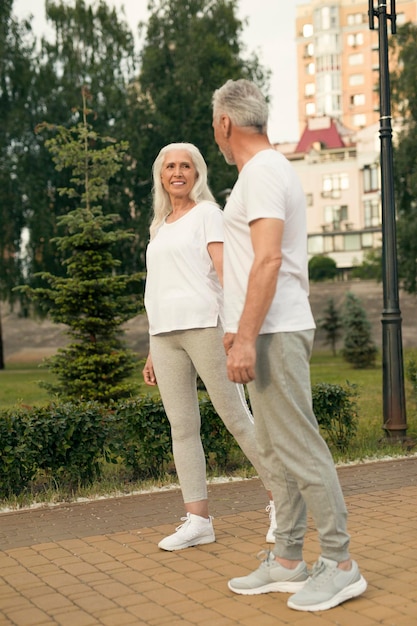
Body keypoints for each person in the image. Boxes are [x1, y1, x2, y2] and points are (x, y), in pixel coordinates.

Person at [211, 79, 367, 612]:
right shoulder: (266, 172)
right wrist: (237, 328)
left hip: (274, 333)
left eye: (215, 127)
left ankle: (342, 565)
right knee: (278, 450)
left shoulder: (261, 173)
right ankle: (288, 558)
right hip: (264, 331)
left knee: (299, 447)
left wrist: (246, 339)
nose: (216, 135)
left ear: (226, 124)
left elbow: (269, 260)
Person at [142, 141, 276, 551]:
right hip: (165, 336)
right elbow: (157, 287)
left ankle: (283, 501)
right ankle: (198, 520)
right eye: (170, 167)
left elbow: (225, 274)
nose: (177, 172)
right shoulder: (159, 224)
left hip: (206, 328)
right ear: (161, 175)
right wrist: (150, 345)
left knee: (236, 417)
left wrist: (234, 330)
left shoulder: (208, 215)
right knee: (182, 428)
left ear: (197, 173)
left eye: (186, 165)